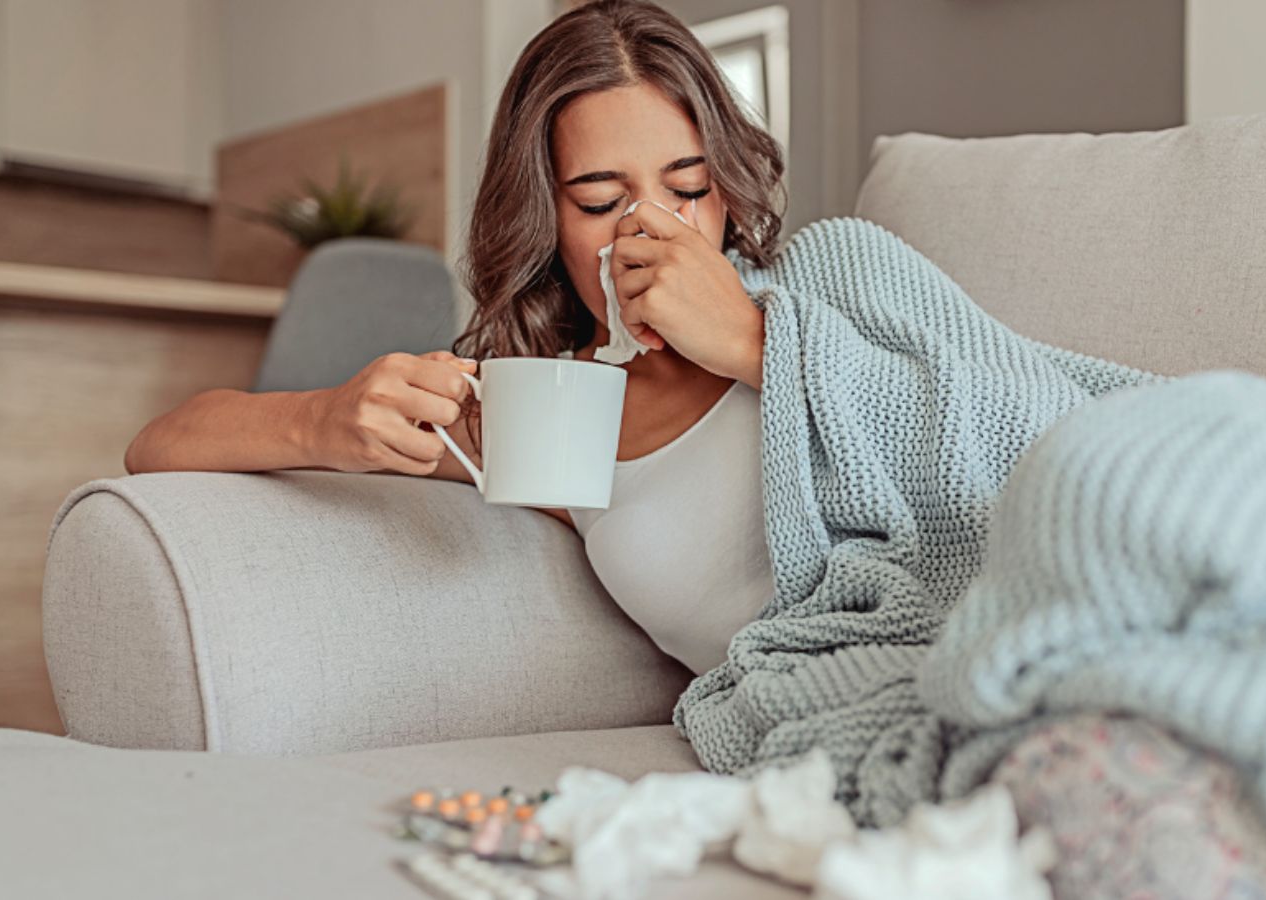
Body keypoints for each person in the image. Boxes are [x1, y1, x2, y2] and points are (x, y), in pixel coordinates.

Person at [123, 0, 787, 675]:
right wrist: (326, 417)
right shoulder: (549, 409)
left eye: (689, 186)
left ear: (726, 190)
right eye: (599, 202)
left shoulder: (825, 295)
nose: (652, 231)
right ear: (546, 220)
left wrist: (751, 343)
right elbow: (158, 445)